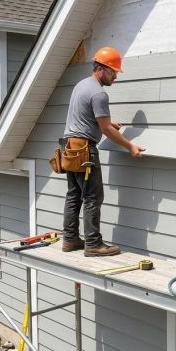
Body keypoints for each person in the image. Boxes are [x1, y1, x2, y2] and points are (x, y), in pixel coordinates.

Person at [61, 47, 145, 257]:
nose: (115, 76)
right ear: (100, 68)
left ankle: (70, 239)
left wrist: (106, 122)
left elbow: (89, 118)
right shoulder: (99, 93)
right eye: (112, 71)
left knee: (74, 194)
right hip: (84, 150)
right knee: (92, 196)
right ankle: (93, 244)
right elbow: (105, 129)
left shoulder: (82, 85)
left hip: (69, 147)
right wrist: (130, 146)